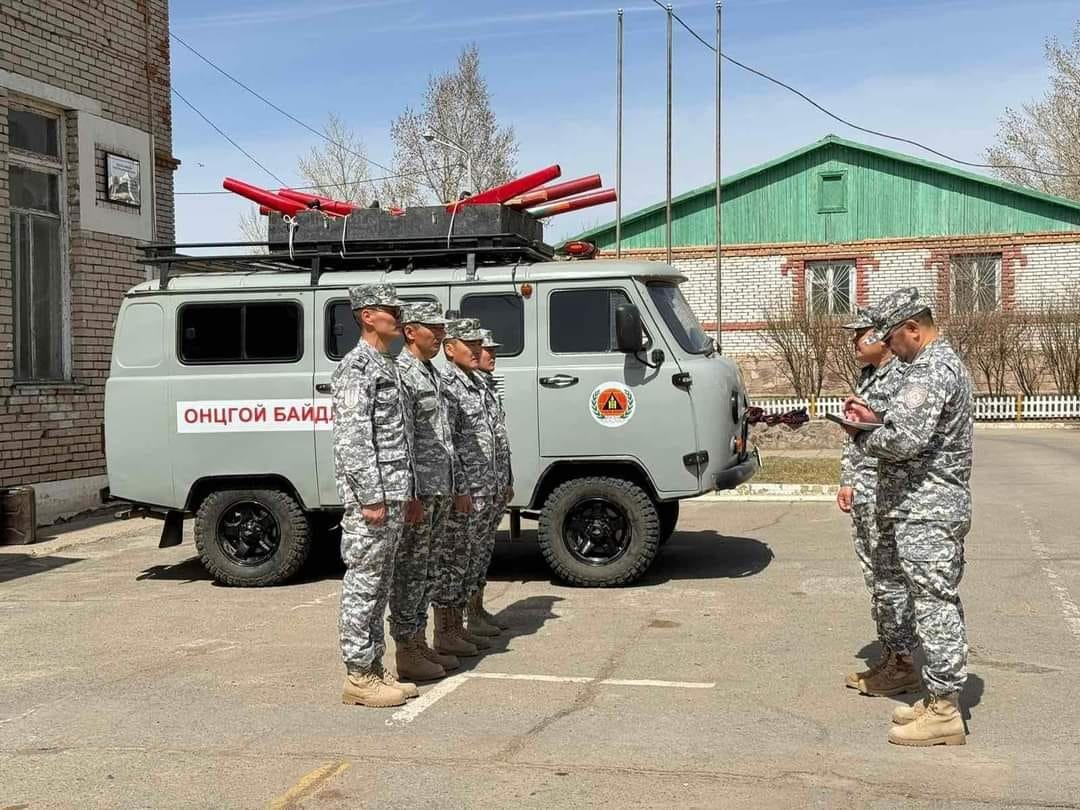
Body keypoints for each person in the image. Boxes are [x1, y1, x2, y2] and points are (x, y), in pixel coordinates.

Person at [843, 287, 974, 746]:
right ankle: (938, 699)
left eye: (892, 338)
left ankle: (945, 711)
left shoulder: (932, 369)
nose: (889, 347)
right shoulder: (932, 365)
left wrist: (861, 435)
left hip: (929, 508)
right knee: (929, 600)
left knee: (935, 604)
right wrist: (875, 415)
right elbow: (906, 426)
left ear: (913, 329)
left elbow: (904, 440)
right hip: (921, 506)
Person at [333, 283, 420, 708]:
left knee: (380, 585)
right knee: (364, 585)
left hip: (392, 494)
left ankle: (373, 667)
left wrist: (404, 492)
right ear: (368, 316)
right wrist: (370, 496)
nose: (399, 318)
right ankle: (358, 675)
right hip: (373, 498)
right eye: (392, 311)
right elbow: (353, 439)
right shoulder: (357, 367)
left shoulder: (386, 364)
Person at [836, 307, 916, 697]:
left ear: (881, 337)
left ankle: (903, 662)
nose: (855, 341)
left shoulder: (903, 375)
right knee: (876, 576)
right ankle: (891, 655)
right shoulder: (868, 376)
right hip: (866, 489)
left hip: (890, 490)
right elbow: (856, 436)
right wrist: (848, 480)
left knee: (891, 578)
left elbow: (902, 434)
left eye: (861, 334)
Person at [389, 302, 462, 682]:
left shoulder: (431, 372)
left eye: (442, 328)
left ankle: (419, 642)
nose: (440, 335)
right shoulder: (403, 373)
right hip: (420, 491)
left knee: (428, 569)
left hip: (439, 488)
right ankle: (406, 648)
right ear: (410, 331)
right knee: (411, 572)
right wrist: (410, 493)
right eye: (433, 328)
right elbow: (401, 438)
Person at [432, 318, 497, 656]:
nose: (477, 350)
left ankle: (459, 625)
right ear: (449, 348)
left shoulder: (474, 382)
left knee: (470, 556)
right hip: (465, 489)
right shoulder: (448, 384)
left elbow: (492, 438)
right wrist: (459, 488)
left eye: (478, 344)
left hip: (482, 485)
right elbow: (449, 444)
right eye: (469, 344)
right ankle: (446, 630)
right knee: (453, 559)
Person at [465, 328, 514, 636]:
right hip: (474, 486)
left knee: (483, 550)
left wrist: (507, 478)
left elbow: (499, 439)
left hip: (493, 484)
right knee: (468, 552)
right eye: (486, 349)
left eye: (493, 349)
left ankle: (477, 609)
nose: (491, 354)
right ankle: (466, 617)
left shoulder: (488, 387)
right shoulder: (463, 386)